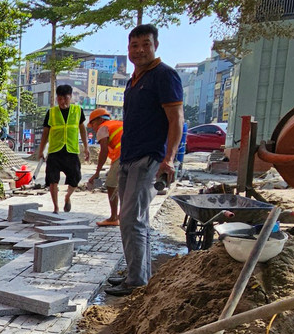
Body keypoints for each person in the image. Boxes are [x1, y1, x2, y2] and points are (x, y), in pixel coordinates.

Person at [105, 24, 183, 296]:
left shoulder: (164, 75)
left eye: (145, 44)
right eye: (134, 46)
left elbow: (176, 119)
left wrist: (169, 158)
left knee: (131, 219)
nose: (139, 50)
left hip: (149, 157)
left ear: (155, 46)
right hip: (128, 157)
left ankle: (137, 281)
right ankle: (137, 273)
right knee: (135, 220)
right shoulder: (133, 81)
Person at [34, 84, 90, 213]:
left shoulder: (78, 111)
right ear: (56, 99)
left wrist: (86, 147)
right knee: (52, 180)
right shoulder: (51, 113)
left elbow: (82, 130)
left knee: (76, 178)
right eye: (60, 99)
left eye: (65, 98)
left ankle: (67, 197)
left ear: (71, 97)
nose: (62, 101)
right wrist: (41, 150)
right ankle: (56, 207)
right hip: (55, 151)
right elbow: (45, 133)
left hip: (71, 150)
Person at [89, 113, 126, 227]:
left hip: (122, 154)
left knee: (111, 185)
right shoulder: (117, 124)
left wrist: (97, 172)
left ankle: (114, 218)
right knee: (125, 186)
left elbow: (103, 151)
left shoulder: (103, 127)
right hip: (134, 154)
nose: (93, 128)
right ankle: (122, 216)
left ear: (100, 120)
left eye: (93, 124)